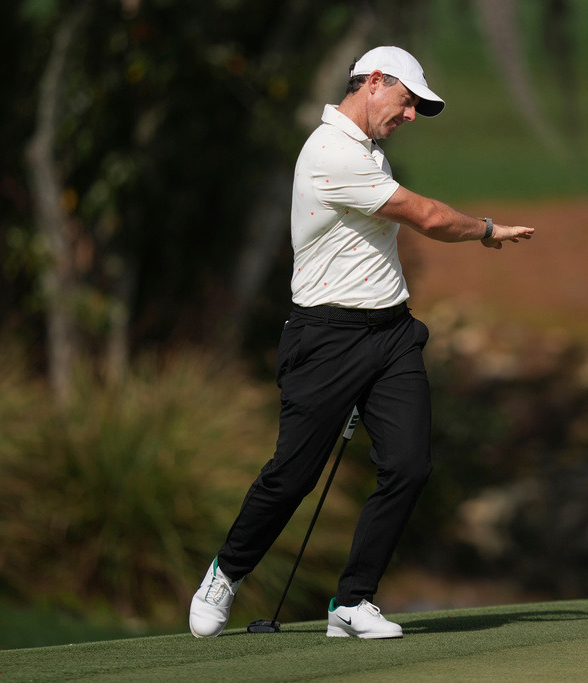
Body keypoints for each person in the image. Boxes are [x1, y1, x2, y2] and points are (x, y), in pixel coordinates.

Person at [190, 45, 534, 640]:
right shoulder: (329, 152)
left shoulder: (365, 149)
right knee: (291, 476)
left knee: (408, 464)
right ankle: (225, 573)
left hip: (392, 334)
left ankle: (352, 603)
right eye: (406, 104)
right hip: (325, 338)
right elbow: (425, 216)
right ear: (374, 83)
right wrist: (484, 230)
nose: (409, 118)